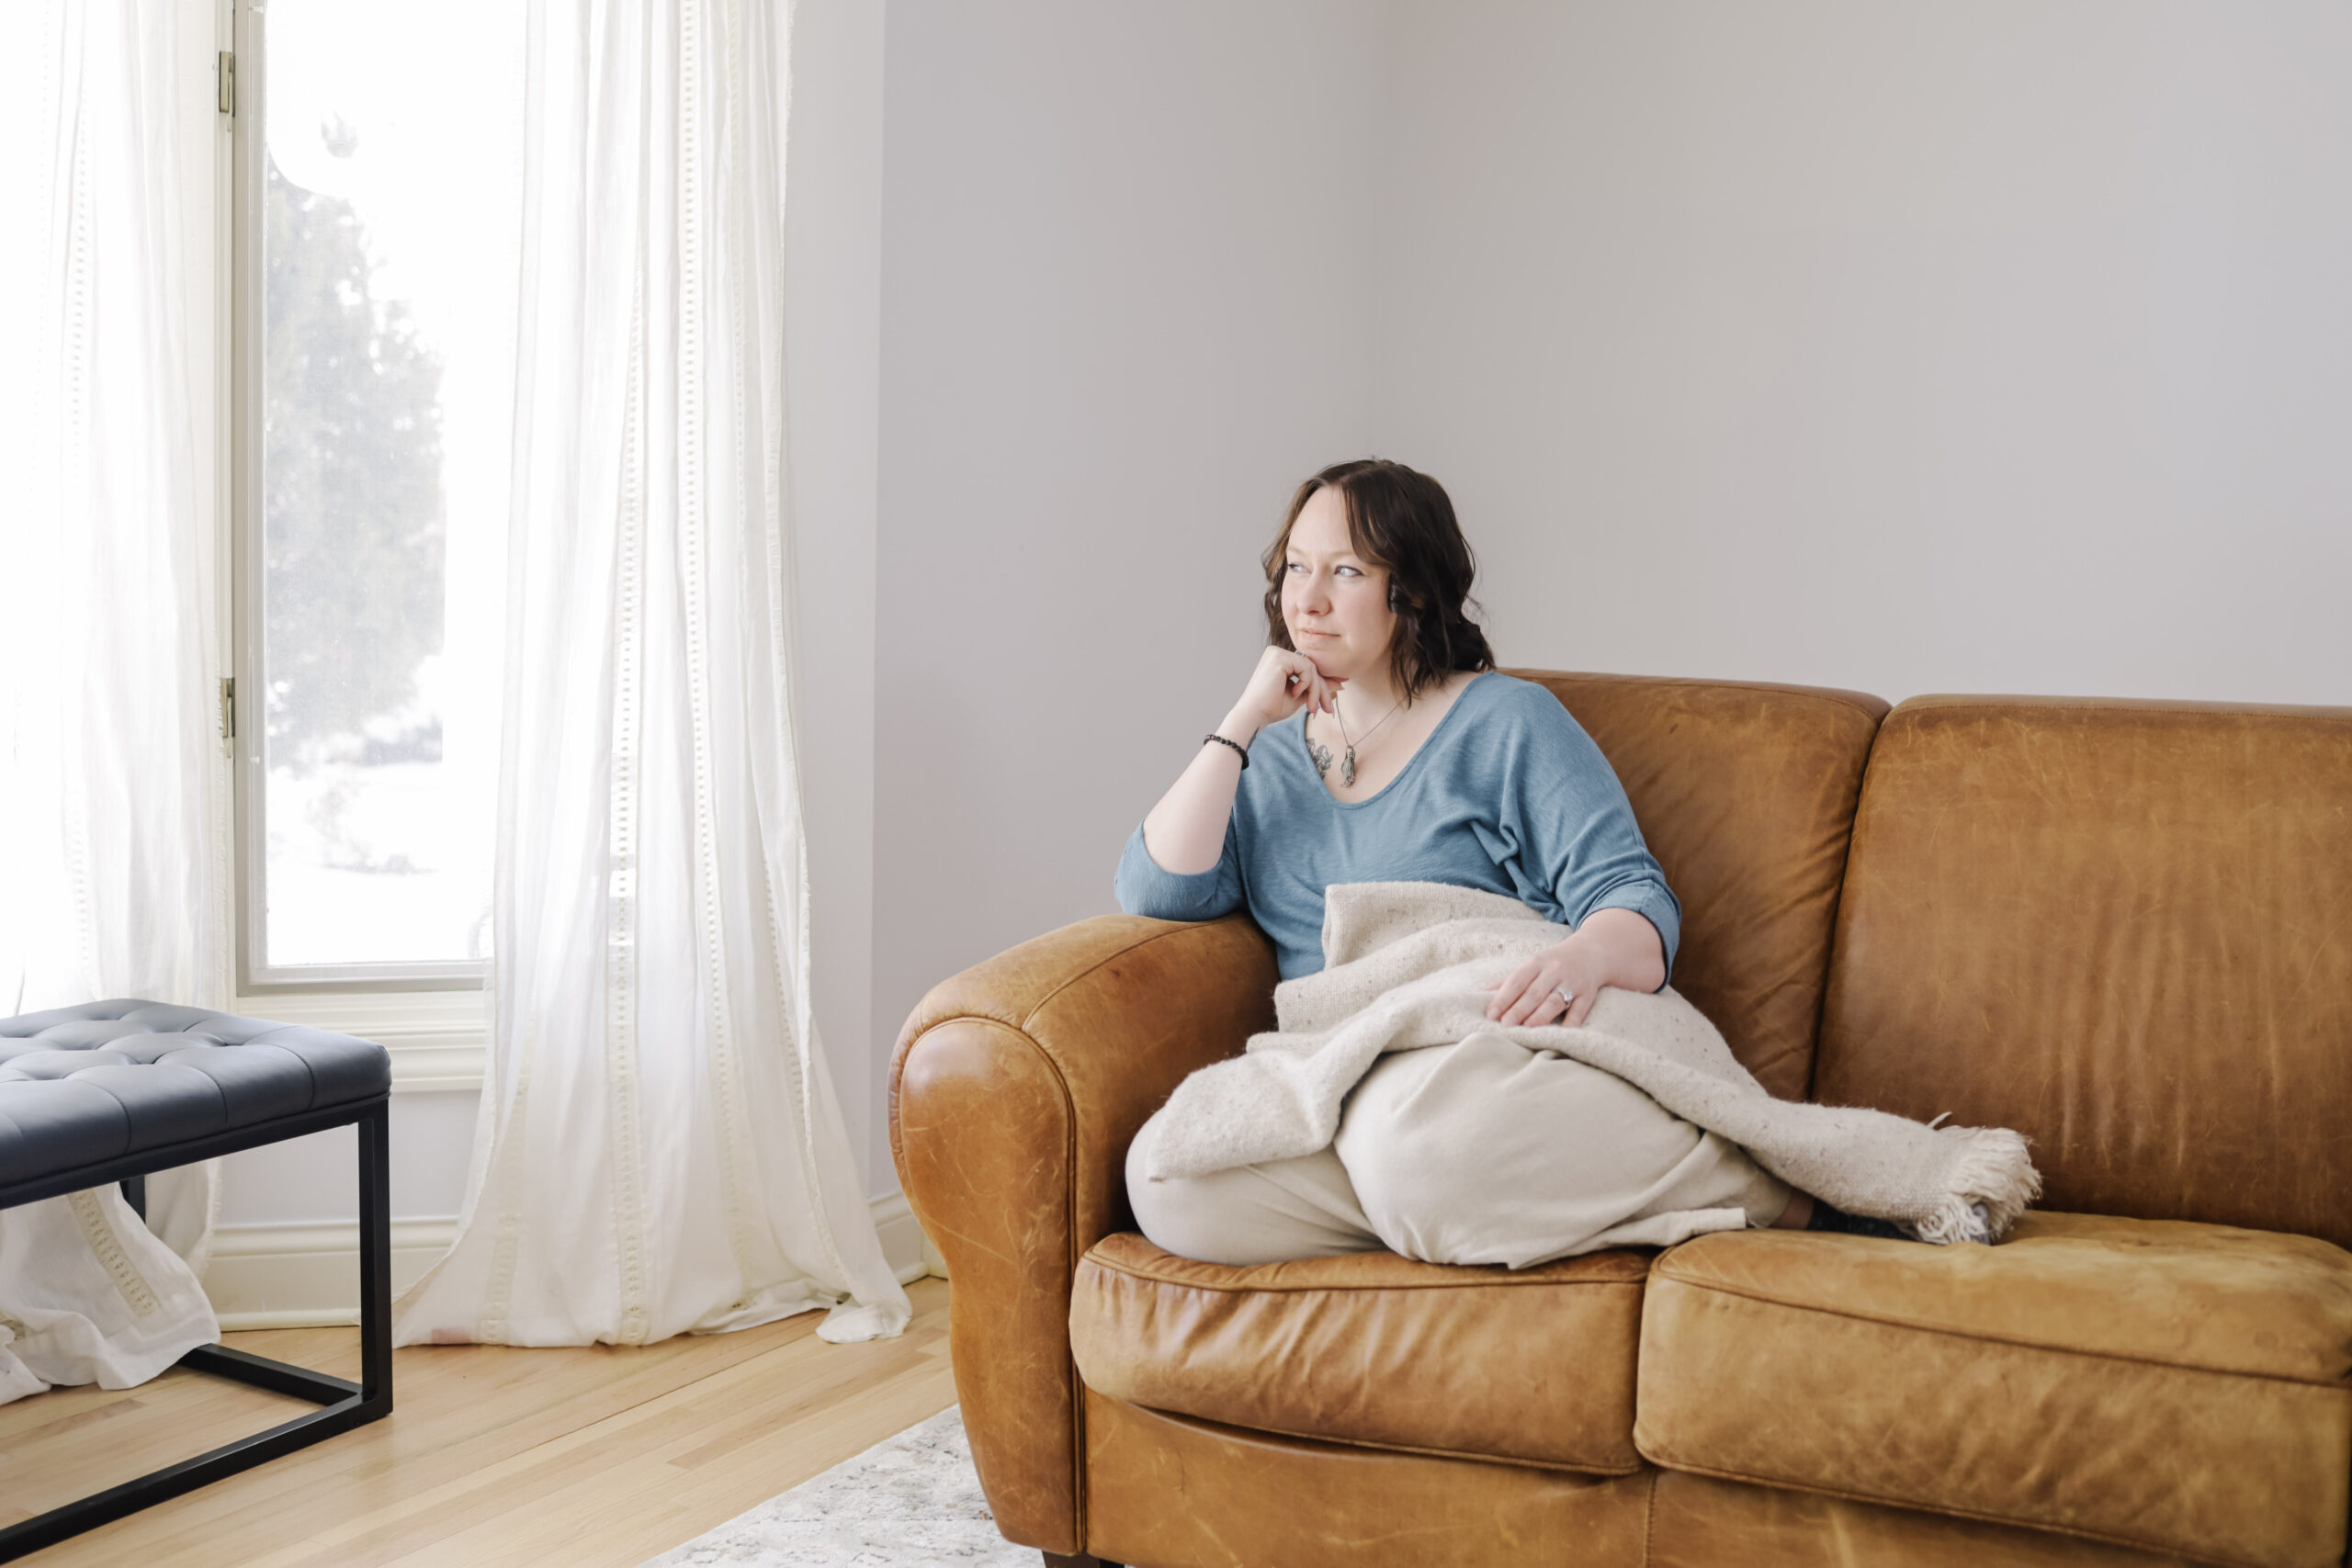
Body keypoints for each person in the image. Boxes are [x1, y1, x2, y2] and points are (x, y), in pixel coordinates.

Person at [1114, 459, 1885, 1269]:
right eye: (1294, 570)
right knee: (1167, 1176)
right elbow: (1158, 889)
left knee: (1409, 1146)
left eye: (1345, 571)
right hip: (1342, 1073)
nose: (1306, 600)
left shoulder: (1507, 720)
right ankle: (1445, 1205)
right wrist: (1241, 720)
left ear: (1409, 590)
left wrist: (1579, 957)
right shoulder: (1264, 765)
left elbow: (1635, 901)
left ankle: (1753, 1185)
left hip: (1481, 1053)